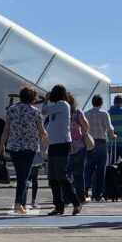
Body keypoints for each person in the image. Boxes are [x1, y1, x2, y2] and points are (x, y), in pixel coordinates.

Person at [0, 86, 49, 214]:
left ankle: (23, 203)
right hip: (30, 147)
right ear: (33, 98)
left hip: (14, 147)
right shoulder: (35, 111)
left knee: (22, 175)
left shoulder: (12, 110)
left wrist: (2, 145)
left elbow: (6, 129)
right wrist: (45, 140)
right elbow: (41, 130)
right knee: (24, 176)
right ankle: (18, 203)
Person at [41, 84, 81, 216]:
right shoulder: (57, 107)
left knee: (61, 175)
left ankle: (76, 202)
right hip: (54, 143)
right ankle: (59, 205)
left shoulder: (63, 104)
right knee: (53, 176)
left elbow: (44, 110)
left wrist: (46, 100)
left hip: (62, 143)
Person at [84, 94, 115, 202]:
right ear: (101, 103)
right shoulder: (104, 114)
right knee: (101, 170)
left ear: (92, 102)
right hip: (101, 142)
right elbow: (109, 128)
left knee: (89, 168)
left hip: (90, 143)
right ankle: (98, 195)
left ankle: (85, 189)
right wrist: (113, 136)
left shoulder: (86, 113)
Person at [66, 92, 90, 203]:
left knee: (65, 174)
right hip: (78, 146)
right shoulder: (77, 112)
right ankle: (81, 197)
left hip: (64, 146)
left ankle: (66, 198)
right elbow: (86, 126)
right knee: (79, 174)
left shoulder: (60, 112)